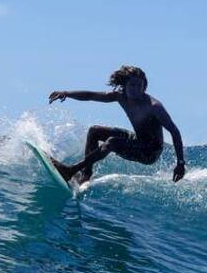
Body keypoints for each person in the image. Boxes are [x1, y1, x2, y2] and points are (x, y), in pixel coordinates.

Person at [48, 65, 186, 184]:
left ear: (144, 86)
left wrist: (180, 163)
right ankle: (86, 174)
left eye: (139, 85)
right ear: (124, 85)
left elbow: (175, 132)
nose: (136, 89)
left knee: (113, 142)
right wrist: (66, 93)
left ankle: (70, 171)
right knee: (95, 130)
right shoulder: (120, 96)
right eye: (132, 85)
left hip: (149, 151)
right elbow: (91, 95)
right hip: (137, 139)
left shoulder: (154, 107)